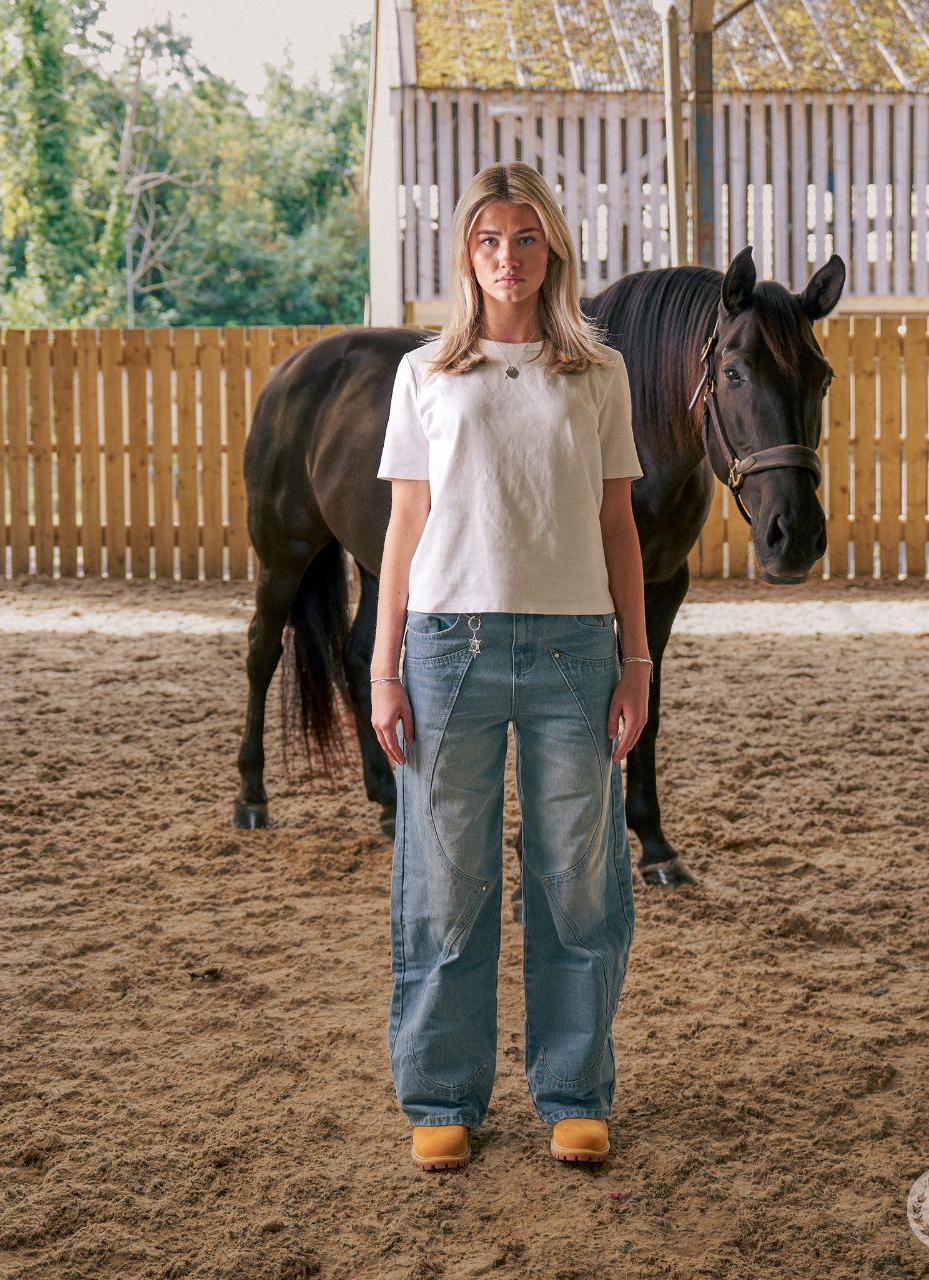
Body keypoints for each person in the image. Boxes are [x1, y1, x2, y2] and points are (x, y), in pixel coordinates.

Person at [371, 161, 651, 1172]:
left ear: (553, 250)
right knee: (447, 884)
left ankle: (573, 1091)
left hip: (576, 652)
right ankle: (442, 1093)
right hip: (449, 653)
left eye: (526, 238)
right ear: (466, 253)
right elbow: (405, 528)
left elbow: (617, 524)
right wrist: (385, 668)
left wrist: (635, 659)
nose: (508, 257)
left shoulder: (599, 373)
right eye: (488, 239)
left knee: (577, 882)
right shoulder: (425, 374)